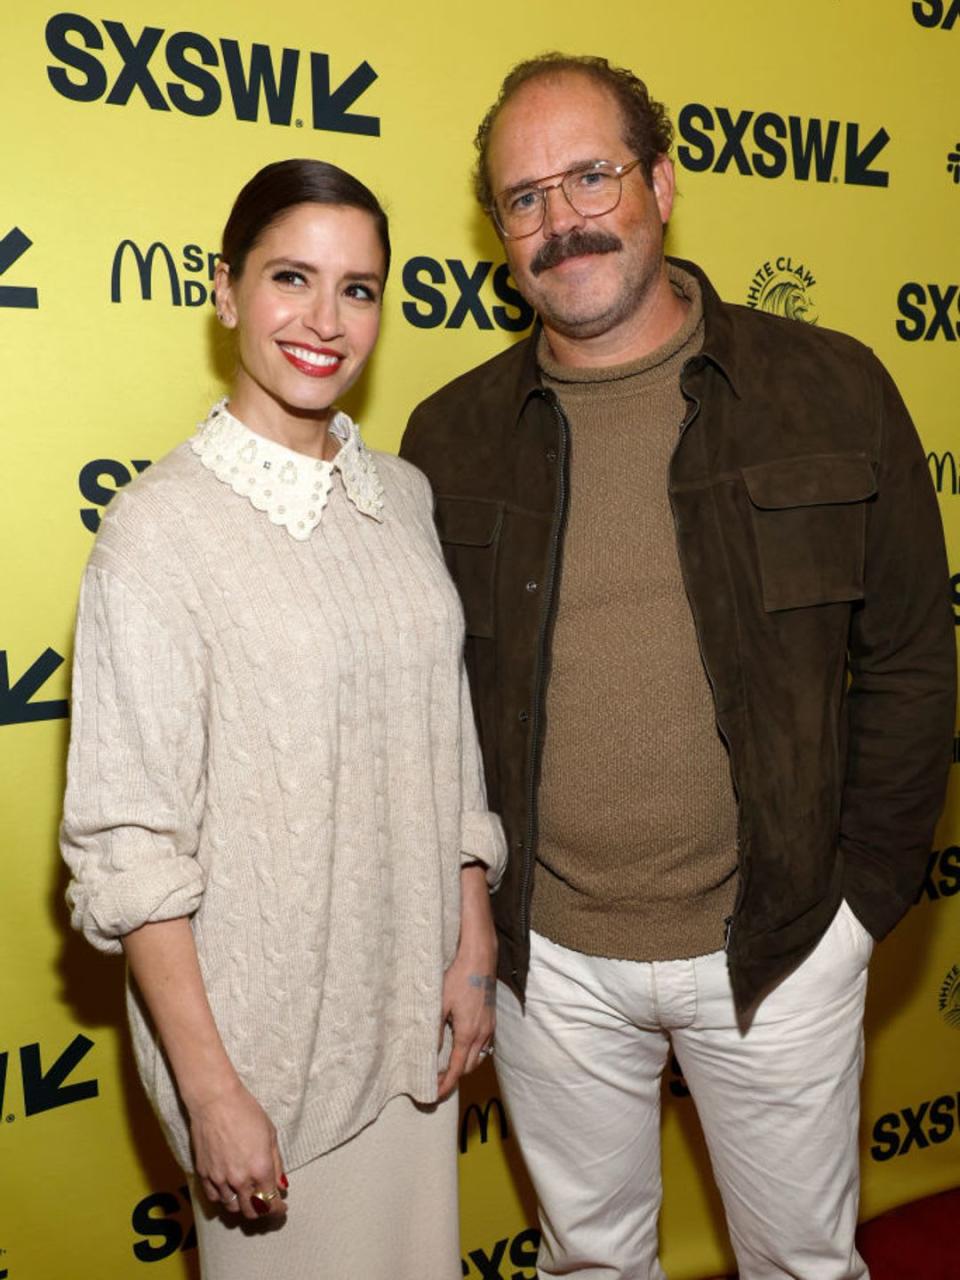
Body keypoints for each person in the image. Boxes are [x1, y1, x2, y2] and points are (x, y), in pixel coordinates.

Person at [400, 53, 956, 1280]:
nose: (562, 221)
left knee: (805, 1265)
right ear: (498, 230)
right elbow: (427, 711)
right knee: (591, 1265)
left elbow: (914, 661)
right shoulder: (446, 437)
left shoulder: (832, 386)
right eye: (525, 197)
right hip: (551, 963)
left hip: (779, 944)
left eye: (591, 176)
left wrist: (859, 908)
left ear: (660, 179)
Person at [60, 158, 505, 1280]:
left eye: (358, 288)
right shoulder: (158, 535)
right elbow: (131, 850)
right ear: (224, 290)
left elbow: (445, 735)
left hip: (411, 1028)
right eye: (291, 277)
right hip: (267, 1063)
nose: (324, 320)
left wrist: (471, 932)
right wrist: (212, 1092)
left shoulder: (399, 494)